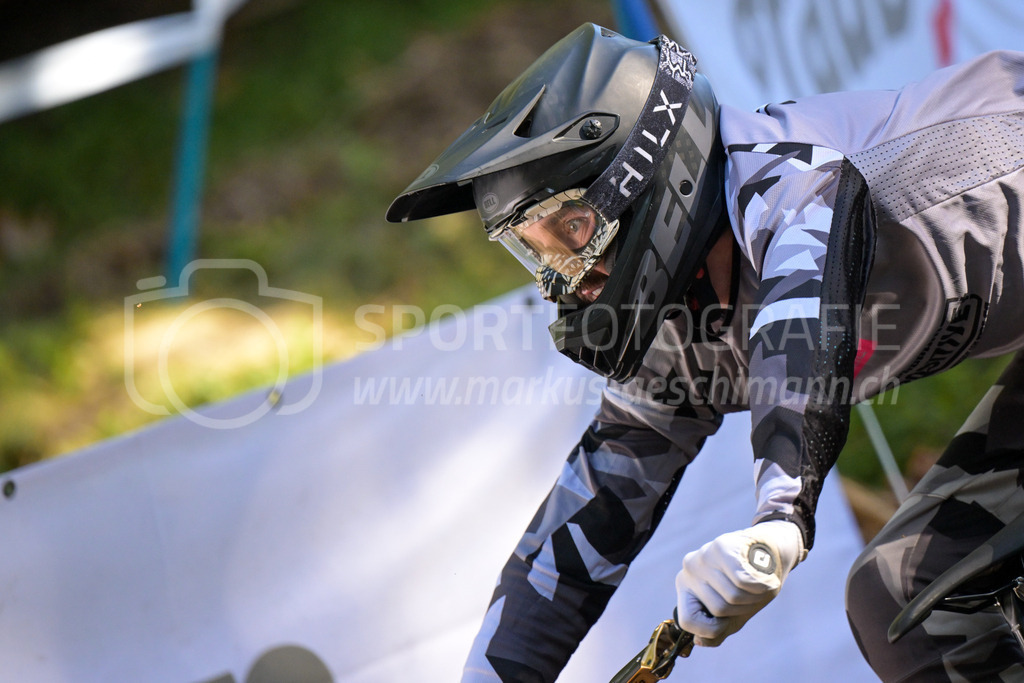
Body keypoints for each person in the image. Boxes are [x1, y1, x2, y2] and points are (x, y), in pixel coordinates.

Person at [386, 23, 1024, 682]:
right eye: (537, 250)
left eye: (570, 229)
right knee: (904, 597)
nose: (565, 275)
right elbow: (577, 534)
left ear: (648, 173)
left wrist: (779, 518)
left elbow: (800, 328)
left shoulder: (786, 179)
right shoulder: (682, 334)